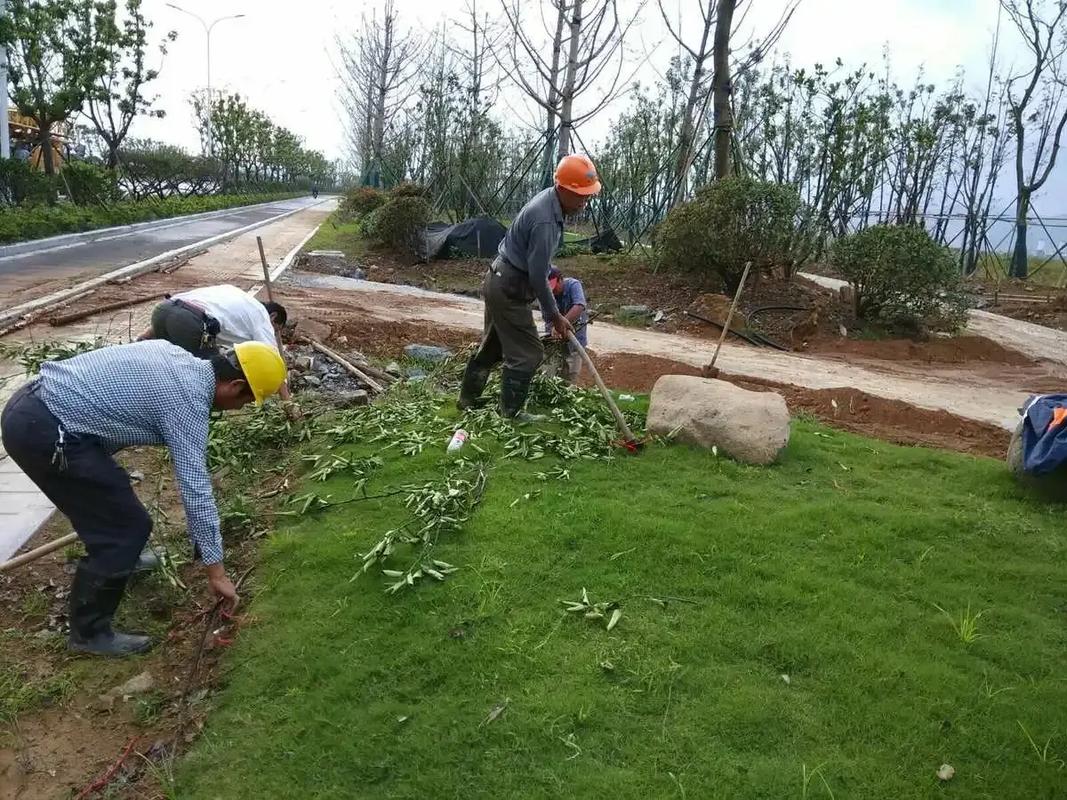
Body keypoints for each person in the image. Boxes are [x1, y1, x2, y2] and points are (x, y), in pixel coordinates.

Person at [0, 340, 287, 657]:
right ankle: (89, 634)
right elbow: (195, 487)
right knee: (124, 528)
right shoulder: (187, 403)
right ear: (234, 386)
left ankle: (125, 561)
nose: (240, 410)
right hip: (44, 430)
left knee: (110, 499)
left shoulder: (178, 356)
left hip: (32, 403)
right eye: (246, 403)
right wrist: (215, 571)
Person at [457, 154, 601, 419]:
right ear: (563, 188)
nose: (584, 202)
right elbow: (537, 276)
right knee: (529, 353)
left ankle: (467, 401)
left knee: (493, 346)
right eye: (581, 196)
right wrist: (555, 316)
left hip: (500, 279)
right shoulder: (545, 219)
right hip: (509, 288)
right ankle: (510, 414)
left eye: (588, 196)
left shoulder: (551, 202)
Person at [139, 283, 298, 415]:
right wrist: (288, 403)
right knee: (205, 376)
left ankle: (146, 401)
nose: (274, 334)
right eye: (276, 329)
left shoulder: (236, 296)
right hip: (189, 324)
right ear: (273, 317)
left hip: (162, 311)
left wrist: (142, 340)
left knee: (162, 364)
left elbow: (182, 309)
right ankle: (185, 417)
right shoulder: (261, 316)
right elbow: (272, 360)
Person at [541, 265, 588, 384]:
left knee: (572, 375)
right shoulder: (545, 294)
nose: (552, 291)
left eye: (554, 286)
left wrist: (561, 324)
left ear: (561, 279)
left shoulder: (573, 285)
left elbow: (579, 306)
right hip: (556, 340)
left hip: (575, 338)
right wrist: (554, 327)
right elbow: (548, 318)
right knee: (551, 375)